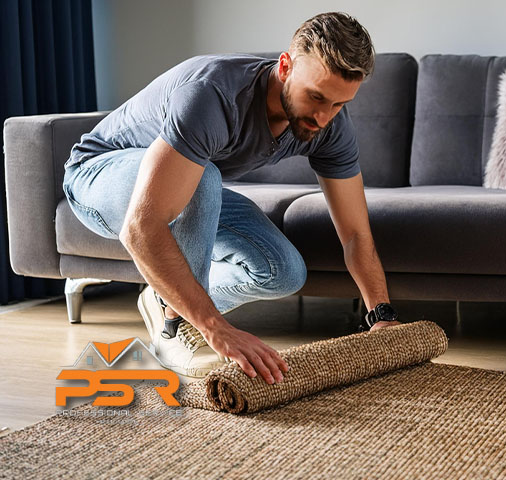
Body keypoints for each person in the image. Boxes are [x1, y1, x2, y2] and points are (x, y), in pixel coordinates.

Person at [62, 11, 401, 385]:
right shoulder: (213, 96)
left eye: (338, 104)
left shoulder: (330, 124)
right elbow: (142, 227)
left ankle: (164, 300)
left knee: (283, 271)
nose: (323, 117)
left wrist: (380, 314)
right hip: (98, 177)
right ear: (285, 67)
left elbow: (355, 233)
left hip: (184, 185)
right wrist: (214, 327)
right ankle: (174, 329)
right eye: (316, 97)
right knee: (206, 177)